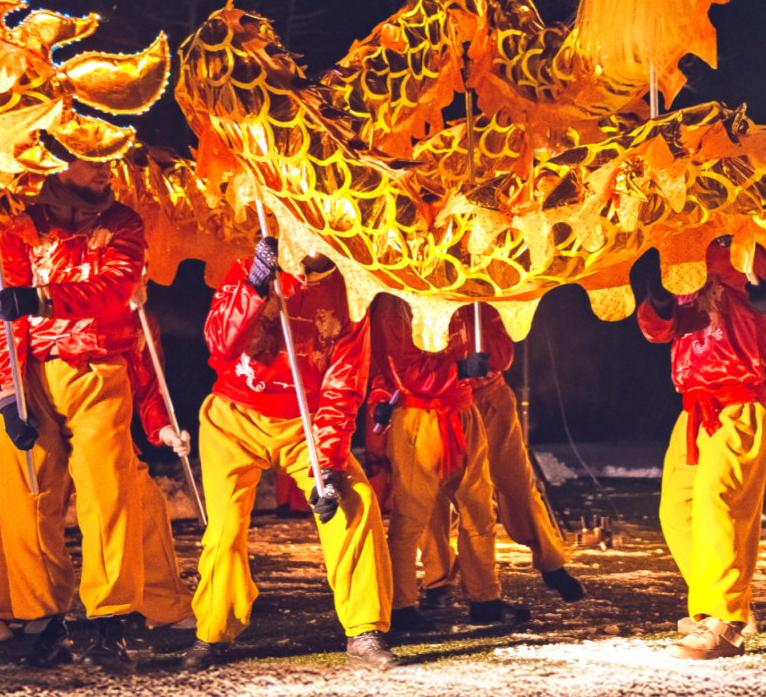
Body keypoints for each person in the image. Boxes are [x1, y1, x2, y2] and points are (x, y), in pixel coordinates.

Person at [0, 154, 177, 669]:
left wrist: (37, 299)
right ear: (61, 161)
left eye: (111, 156)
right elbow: (4, 317)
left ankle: (109, 620)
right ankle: (44, 620)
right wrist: (7, 393)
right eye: (93, 158)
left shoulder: (123, 223)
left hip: (98, 367)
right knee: (30, 493)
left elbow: (114, 292)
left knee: (108, 491)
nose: (107, 168)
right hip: (34, 371)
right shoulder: (21, 222)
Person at [182, 235, 398, 671]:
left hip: (304, 423)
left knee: (354, 504)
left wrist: (332, 465)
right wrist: (255, 287)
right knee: (224, 531)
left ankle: (364, 628)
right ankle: (213, 632)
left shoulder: (353, 290)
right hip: (233, 417)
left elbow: (342, 386)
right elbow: (218, 343)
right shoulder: (249, 267)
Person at [0, 318, 196, 648]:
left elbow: (148, 381)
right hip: (38, 391)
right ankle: (3, 607)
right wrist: (9, 396)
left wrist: (162, 428)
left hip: (102, 407)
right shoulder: (36, 281)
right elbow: (6, 332)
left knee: (137, 501)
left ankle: (165, 603)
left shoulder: (140, 314)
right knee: (30, 507)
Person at [638, 240, 766, 660]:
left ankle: (725, 618)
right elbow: (658, 331)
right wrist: (661, 297)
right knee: (678, 511)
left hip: (740, 398)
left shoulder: (742, 252)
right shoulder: (680, 263)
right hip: (695, 406)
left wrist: (699, 257)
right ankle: (720, 601)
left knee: (720, 502)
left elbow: (758, 283)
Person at [359, 294, 531, 633]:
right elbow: (402, 370)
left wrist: (488, 309)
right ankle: (401, 604)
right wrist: (460, 369)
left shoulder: (462, 293)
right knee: (411, 518)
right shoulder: (394, 301)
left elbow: (501, 357)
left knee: (479, 510)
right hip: (420, 418)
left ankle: (486, 600)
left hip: (464, 411)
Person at [418, 306, 585, 610]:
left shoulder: (482, 293)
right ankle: (439, 579)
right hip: (441, 405)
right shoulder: (416, 290)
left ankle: (550, 563)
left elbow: (504, 353)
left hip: (490, 398)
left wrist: (484, 343)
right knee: (434, 496)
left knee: (517, 482)